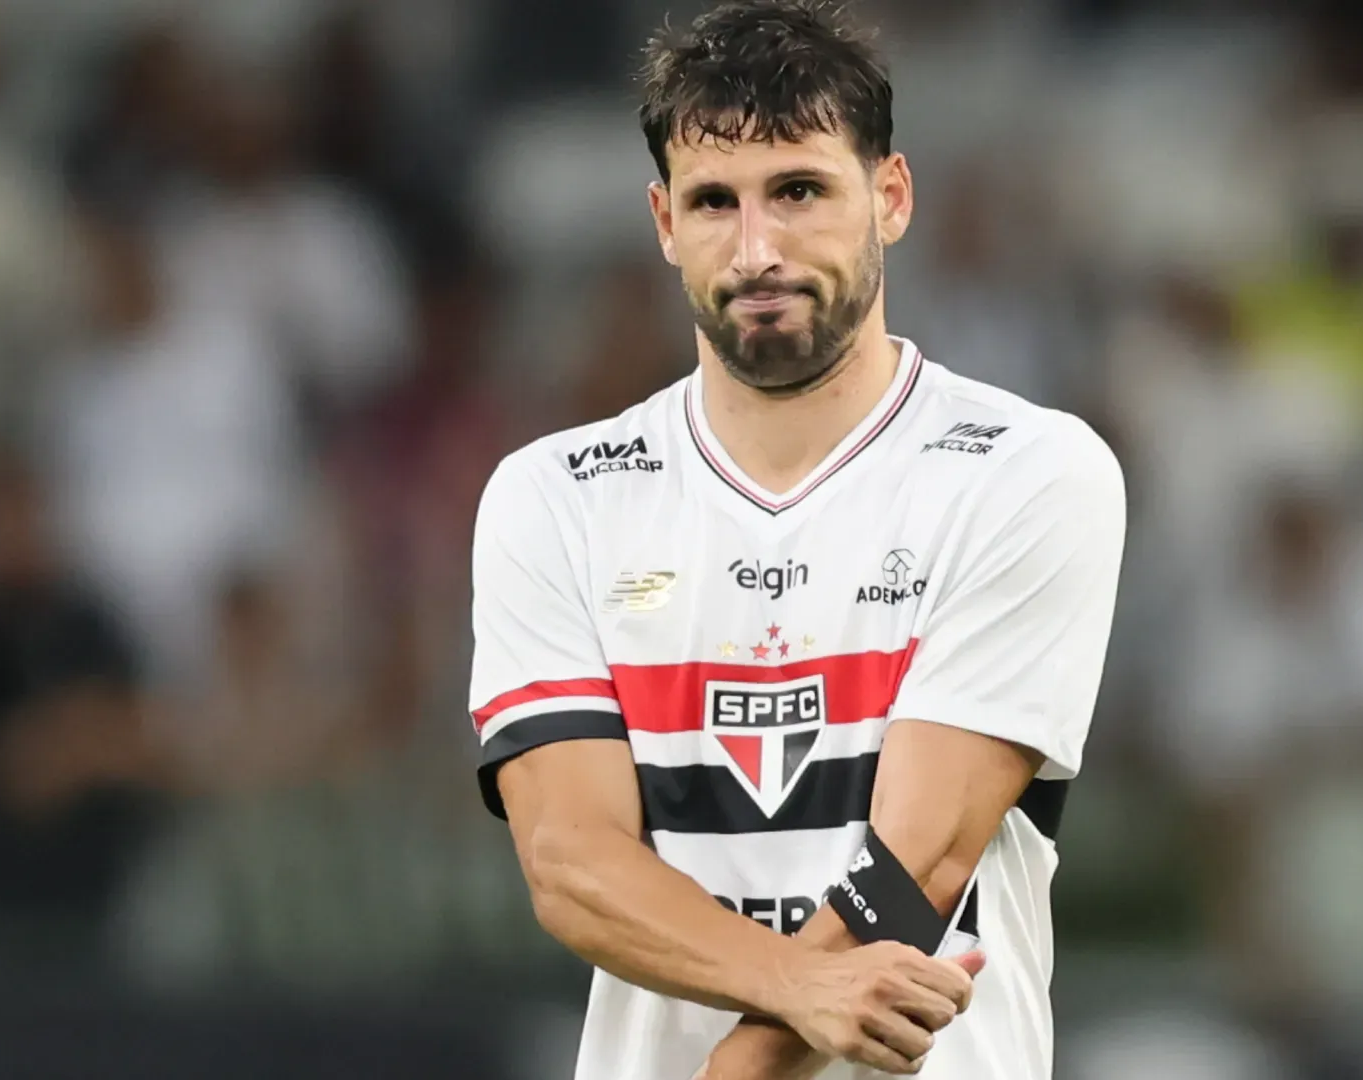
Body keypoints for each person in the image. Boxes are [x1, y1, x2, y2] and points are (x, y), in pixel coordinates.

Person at [464, 2, 1126, 1079]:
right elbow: (571, 862)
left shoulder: (1028, 470)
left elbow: (920, 857)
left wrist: (738, 1067)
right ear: (664, 221)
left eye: (801, 191)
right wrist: (792, 983)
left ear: (892, 197)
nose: (757, 247)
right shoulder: (556, 496)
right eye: (715, 202)